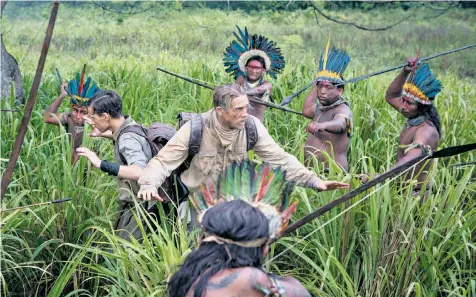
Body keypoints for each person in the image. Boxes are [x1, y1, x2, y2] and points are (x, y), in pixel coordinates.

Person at [162, 161, 312, 297]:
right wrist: (265, 274)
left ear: (203, 241)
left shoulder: (186, 274)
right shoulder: (249, 280)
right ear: (263, 249)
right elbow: (303, 296)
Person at [137, 84, 348, 205]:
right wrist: (148, 184)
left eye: (246, 107)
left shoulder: (251, 127)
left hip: (236, 201)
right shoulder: (195, 128)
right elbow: (163, 162)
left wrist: (314, 181)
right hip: (198, 203)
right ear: (220, 111)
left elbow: (280, 159)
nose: (245, 114)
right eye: (238, 109)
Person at [76, 90, 159, 241]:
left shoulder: (127, 139)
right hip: (143, 204)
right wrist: (100, 132)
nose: (91, 121)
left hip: (140, 207)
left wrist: (100, 163)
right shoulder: (129, 125)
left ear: (105, 116)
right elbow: (120, 134)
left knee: (127, 255)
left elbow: (139, 171)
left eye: (92, 117)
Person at [363, 58, 441, 196]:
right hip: (400, 191)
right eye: (403, 101)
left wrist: (380, 176)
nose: (403, 106)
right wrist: (405, 73)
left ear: (421, 107)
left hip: (415, 196)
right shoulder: (413, 116)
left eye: (409, 103)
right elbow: (391, 96)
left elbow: (412, 157)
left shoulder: (426, 131)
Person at [302, 37, 353, 172]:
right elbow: (307, 110)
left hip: (332, 173)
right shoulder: (321, 108)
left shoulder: (343, 110)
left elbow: (341, 124)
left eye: (328, 87)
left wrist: (321, 126)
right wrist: (318, 81)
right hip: (314, 173)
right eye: (320, 87)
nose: (322, 92)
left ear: (339, 90)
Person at [224, 25, 285, 122]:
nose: (253, 71)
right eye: (250, 67)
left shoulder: (266, 85)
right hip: (237, 121)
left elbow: (257, 91)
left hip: (255, 123)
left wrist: (240, 92)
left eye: (257, 68)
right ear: (245, 68)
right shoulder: (241, 79)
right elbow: (232, 93)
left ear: (263, 70)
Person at [43, 66, 100, 164]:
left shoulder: (95, 124)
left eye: (83, 112)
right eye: (75, 110)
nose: (78, 116)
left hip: (88, 169)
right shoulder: (68, 118)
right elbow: (47, 118)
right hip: (69, 167)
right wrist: (62, 96)